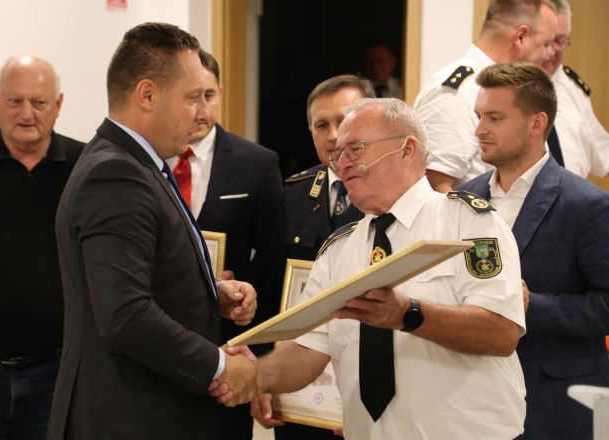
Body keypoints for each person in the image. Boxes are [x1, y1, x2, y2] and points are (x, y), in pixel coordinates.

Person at [217, 98, 527, 439]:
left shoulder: (467, 223)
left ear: (407, 149)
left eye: (355, 149)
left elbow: (502, 332)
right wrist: (255, 373)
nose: (342, 164)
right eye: (337, 155)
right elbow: (309, 349)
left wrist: (408, 314)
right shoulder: (339, 249)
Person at [46, 22, 258, 439]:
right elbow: (125, 316)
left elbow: (130, 280)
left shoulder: (133, 163)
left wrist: (207, 293)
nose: (201, 113)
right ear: (147, 94)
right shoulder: (116, 174)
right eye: (191, 98)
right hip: (128, 419)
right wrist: (219, 365)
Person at [459, 62, 609, 440]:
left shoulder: (587, 205)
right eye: (479, 117)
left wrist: (532, 306)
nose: (479, 129)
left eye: (495, 118)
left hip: (556, 404)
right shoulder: (463, 198)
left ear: (536, 123)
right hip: (473, 397)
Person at [0, 56, 84, 440]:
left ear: (58, 104)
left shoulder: (86, 167)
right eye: (14, 101)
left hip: (56, 374)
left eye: (39, 102)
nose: (26, 113)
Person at [167, 49, 283, 440]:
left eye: (209, 96)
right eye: (190, 97)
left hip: (228, 343)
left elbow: (271, 261)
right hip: (160, 340)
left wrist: (241, 291)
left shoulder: (258, 163)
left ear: (221, 92)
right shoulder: (152, 160)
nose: (200, 110)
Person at [267, 74, 374, 440]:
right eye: (321, 125)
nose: (333, 135)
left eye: (344, 120)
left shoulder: (393, 194)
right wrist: (268, 378)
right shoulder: (293, 193)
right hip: (302, 394)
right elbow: (274, 296)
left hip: (371, 392)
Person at [414, 0, 557, 192]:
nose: (549, 55)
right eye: (546, 44)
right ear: (521, 37)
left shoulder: (515, 88)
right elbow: (437, 186)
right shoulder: (459, 91)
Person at [540, 0, 609, 180]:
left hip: (574, 197)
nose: (552, 50)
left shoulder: (572, 86)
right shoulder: (503, 88)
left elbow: (608, 155)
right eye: (547, 41)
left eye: (560, 41)